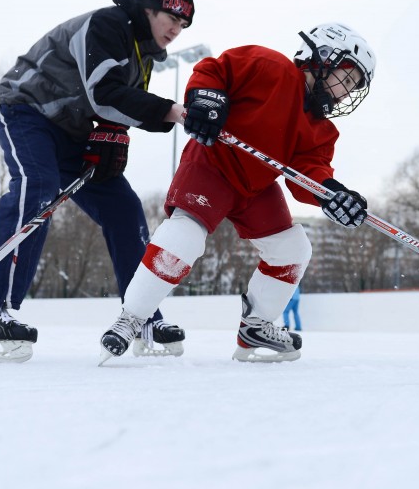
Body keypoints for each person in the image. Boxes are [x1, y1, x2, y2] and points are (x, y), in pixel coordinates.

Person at [0, 0, 197, 363]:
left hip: (73, 130)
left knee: (123, 208)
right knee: (38, 188)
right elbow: (105, 92)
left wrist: (113, 135)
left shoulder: (145, 53)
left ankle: (141, 314)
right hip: (27, 109)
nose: (176, 29)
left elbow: (119, 107)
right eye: (172, 18)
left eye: (183, 24)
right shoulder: (109, 24)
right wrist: (175, 112)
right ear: (151, 10)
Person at [99, 22, 376, 363]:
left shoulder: (322, 129)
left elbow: (309, 173)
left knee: (292, 248)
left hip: (257, 184)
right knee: (184, 238)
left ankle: (256, 325)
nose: (346, 92)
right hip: (213, 162)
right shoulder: (269, 65)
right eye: (346, 79)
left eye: (352, 87)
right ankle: (132, 318)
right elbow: (215, 70)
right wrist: (207, 97)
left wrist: (331, 193)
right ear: (322, 58)